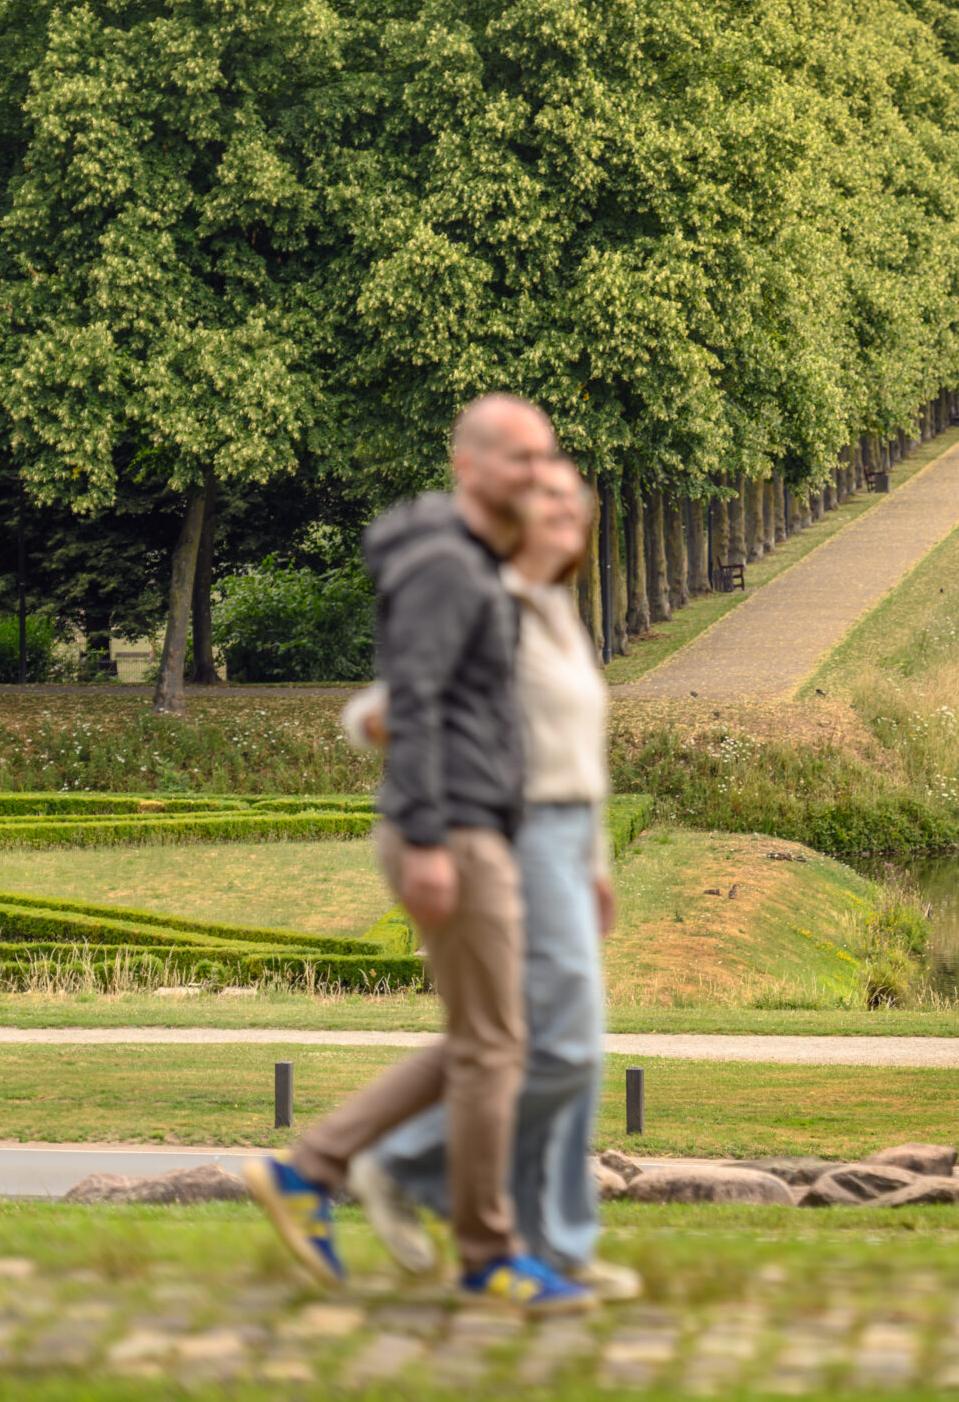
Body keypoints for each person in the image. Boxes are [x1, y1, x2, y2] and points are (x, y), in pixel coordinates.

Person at [244, 395, 595, 1317]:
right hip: (454, 831)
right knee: (496, 1045)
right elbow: (417, 704)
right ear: (469, 465)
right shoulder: (445, 565)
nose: (537, 474)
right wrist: (433, 839)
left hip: (477, 827)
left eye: (545, 457)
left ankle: (312, 1167)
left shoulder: (473, 562)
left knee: (488, 1038)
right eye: (520, 459)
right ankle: (487, 1254)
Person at [349, 458, 639, 1302]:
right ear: (515, 515)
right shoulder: (488, 597)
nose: (567, 508)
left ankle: (558, 1244)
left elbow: (583, 752)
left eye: (576, 500)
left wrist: (597, 862)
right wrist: (383, 727)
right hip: (519, 832)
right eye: (548, 497)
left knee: (568, 1048)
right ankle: (406, 1164)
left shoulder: (557, 608)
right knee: (561, 1046)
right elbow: (391, 705)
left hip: (567, 836)